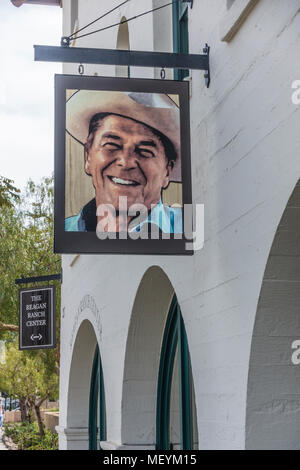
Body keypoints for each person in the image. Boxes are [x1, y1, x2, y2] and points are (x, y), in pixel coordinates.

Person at [65, 90, 182, 234]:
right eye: (111, 145)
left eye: (144, 151)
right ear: (88, 155)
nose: (126, 162)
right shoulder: (67, 230)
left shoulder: (190, 230)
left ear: (167, 172)